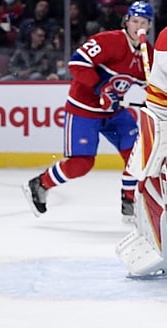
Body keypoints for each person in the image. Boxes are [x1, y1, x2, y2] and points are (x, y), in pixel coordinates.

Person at [23, 1, 154, 221]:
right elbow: (76, 64)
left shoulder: (146, 54)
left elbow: (152, 85)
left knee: (136, 155)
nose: (137, 27)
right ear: (127, 20)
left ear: (149, 26)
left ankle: (129, 202)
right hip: (84, 109)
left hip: (114, 111)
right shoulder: (109, 41)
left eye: (143, 23)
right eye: (134, 21)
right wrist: (99, 88)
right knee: (81, 164)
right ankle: (40, 183)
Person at [116, 25, 167, 277]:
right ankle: (158, 245)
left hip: (158, 122)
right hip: (162, 121)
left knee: (151, 180)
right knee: (152, 180)